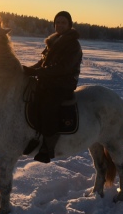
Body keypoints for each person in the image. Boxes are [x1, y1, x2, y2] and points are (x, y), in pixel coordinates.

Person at [23, 11, 83, 163]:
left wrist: (37, 72)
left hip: (63, 84)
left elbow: (62, 68)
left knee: (49, 106)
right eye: (57, 22)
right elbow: (43, 63)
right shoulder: (54, 41)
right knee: (32, 101)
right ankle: (36, 137)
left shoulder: (73, 45)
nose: (60, 25)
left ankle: (47, 147)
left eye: (63, 22)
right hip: (49, 81)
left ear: (69, 25)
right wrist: (26, 70)